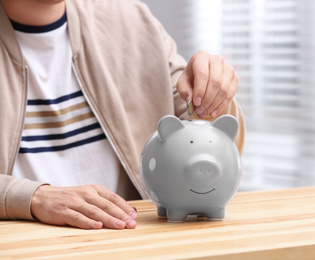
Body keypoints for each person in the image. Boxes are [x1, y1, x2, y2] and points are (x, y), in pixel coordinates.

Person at [0, 0, 245, 230]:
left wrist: (214, 96)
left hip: (135, 240)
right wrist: (32, 197)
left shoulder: (132, 21)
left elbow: (199, 130)